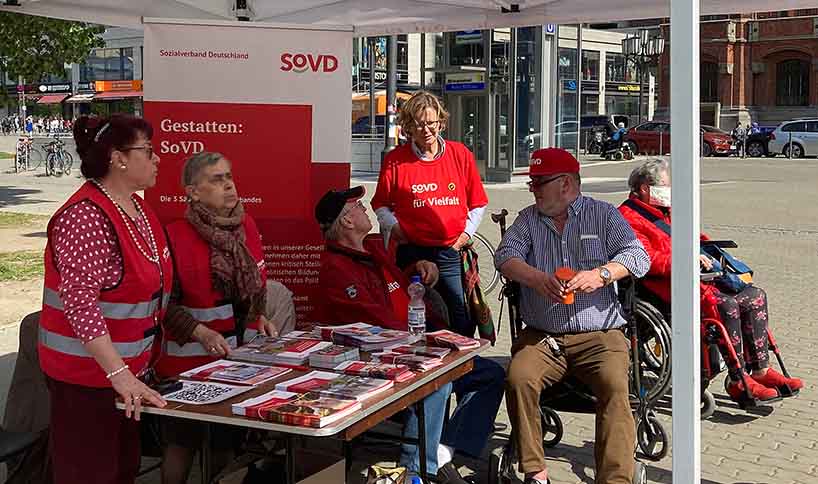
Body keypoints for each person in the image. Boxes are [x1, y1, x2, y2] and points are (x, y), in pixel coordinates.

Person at [314, 186, 505, 484]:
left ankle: (442, 450)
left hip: (416, 346)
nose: (365, 207)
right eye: (356, 206)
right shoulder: (336, 269)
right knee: (435, 384)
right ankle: (415, 469)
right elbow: (375, 323)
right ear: (346, 222)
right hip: (382, 358)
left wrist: (418, 268)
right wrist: (430, 342)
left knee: (490, 374)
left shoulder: (373, 248)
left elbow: (399, 285)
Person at [496, 148, 650, 484]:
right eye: (532, 183)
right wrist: (536, 278)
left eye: (539, 182)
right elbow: (505, 257)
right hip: (544, 334)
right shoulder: (528, 219)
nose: (533, 189)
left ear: (565, 184)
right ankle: (536, 472)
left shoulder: (604, 215)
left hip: (600, 335)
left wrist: (603, 274)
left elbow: (638, 256)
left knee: (614, 384)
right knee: (519, 378)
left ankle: (614, 478)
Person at [39, 114, 171, 484]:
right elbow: (80, 303)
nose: (157, 158)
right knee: (91, 473)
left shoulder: (139, 209)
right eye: (148, 150)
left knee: (121, 469)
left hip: (125, 379)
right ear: (118, 158)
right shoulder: (85, 216)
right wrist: (119, 373)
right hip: (86, 382)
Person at [618, 159, 803, 404]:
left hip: (697, 276)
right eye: (666, 185)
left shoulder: (668, 211)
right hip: (661, 286)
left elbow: (693, 237)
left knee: (754, 295)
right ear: (644, 188)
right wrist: (685, 259)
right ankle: (737, 379)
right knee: (725, 305)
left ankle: (760, 369)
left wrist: (710, 251)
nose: (670, 191)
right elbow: (644, 258)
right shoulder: (626, 217)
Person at [157, 151, 277, 484]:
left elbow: (255, 285)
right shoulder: (174, 234)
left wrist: (260, 316)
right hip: (186, 368)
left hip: (237, 365)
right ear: (192, 192)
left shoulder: (247, 225)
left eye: (229, 176)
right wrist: (200, 333)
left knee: (227, 447)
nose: (228, 185)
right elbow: (163, 305)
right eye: (216, 179)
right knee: (181, 446)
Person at [371, 90, 489, 339]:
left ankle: (461, 371)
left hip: (449, 252)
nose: (426, 130)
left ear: (441, 123)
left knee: (460, 316)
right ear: (408, 127)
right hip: (411, 251)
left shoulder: (460, 154)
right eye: (418, 124)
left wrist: (465, 235)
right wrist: (394, 227)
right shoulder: (395, 160)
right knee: (414, 314)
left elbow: (478, 203)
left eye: (431, 123)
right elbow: (380, 203)